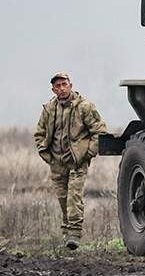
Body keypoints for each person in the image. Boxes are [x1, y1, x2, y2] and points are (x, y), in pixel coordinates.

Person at [34, 72, 107, 250]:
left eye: (64, 84)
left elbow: (100, 131)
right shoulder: (49, 109)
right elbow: (39, 134)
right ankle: (67, 233)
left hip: (77, 161)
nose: (62, 88)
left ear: (70, 85)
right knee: (62, 198)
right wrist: (47, 155)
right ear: (53, 89)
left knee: (74, 196)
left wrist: (88, 153)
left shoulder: (84, 107)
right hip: (57, 162)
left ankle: (74, 234)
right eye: (58, 86)